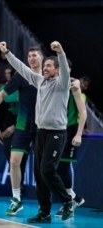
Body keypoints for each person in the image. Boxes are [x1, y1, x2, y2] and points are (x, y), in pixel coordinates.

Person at [0, 41, 75, 223]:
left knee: (47, 170)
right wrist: (7, 52)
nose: (45, 68)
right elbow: (22, 68)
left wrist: (61, 52)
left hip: (57, 133)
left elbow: (64, 68)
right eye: (45, 65)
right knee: (39, 174)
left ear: (57, 70)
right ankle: (45, 212)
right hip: (42, 133)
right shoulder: (39, 81)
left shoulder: (62, 84)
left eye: (49, 66)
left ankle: (67, 201)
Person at [0, 46, 43, 216]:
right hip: (23, 125)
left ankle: (47, 203)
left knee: (42, 168)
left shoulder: (48, 76)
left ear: (41, 58)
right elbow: (2, 94)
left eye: (34, 55)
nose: (31, 58)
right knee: (14, 161)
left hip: (43, 127)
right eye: (29, 55)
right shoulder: (22, 76)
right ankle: (16, 199)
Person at [55, 77, 87, 217]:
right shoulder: (53, 83)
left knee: (64, 166)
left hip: (70, 130)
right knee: (54, 168)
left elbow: (83, 112)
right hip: (56, 130)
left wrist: (79, 134)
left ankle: (69, 201)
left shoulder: (74, 86)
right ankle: (73, 199)